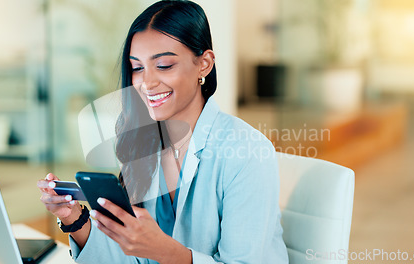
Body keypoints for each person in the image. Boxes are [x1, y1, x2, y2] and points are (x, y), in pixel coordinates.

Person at [37, 1, 288, 263]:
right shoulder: (146, 143)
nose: (147, 83)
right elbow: (131, 258)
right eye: (137, 68)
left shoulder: (247, 151)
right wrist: (74, 219)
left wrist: (165, 251)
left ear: (204, 64)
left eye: (164, 65)